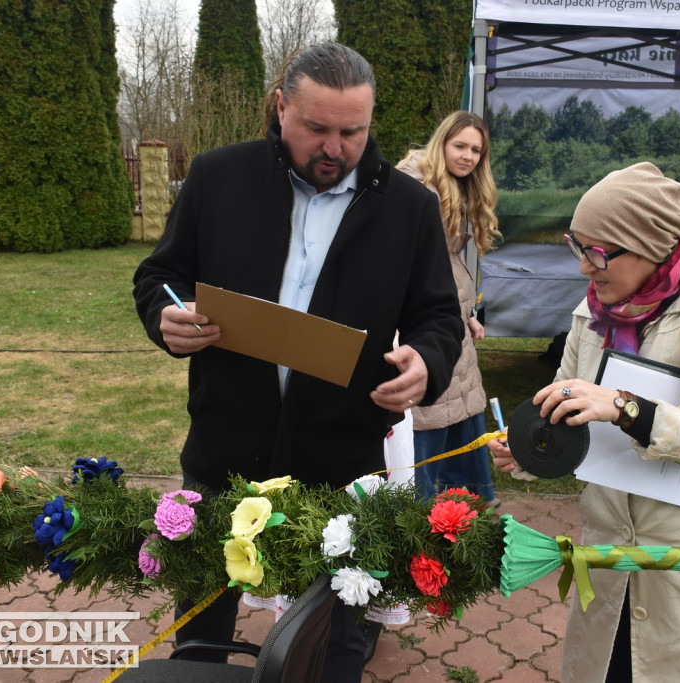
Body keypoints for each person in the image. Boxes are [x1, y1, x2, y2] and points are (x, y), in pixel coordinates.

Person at [132, 42, 464, 682]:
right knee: (200, 620)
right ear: (280, 108)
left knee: (337, 633)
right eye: (316, 128)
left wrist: (426, 361)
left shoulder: (410, 208)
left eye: (353, 131)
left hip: (341, 455)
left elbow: (439, 318)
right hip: (225, 445)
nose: (334, 147)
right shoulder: (216, 177)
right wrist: (165, 314)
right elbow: (161, 274)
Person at [488, 162, 680, 682]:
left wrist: (621, 405)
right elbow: (565, 413)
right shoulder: (592, 312)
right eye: (578, 248)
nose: (585, 268)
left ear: (649, 244)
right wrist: (528, 449)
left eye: (597, 252)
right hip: (611, 552)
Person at [396, 111, 501, 503]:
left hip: (451, 312)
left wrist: (467, 315)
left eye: (476, 149)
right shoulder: (412, 185)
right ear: (441, 143)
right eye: (460, 146)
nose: (468, 156)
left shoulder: (457, 186)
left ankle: (458, 510)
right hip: (420, 313)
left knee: (462, 402)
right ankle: (420, 508)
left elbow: (451, 260)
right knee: (428, 408)